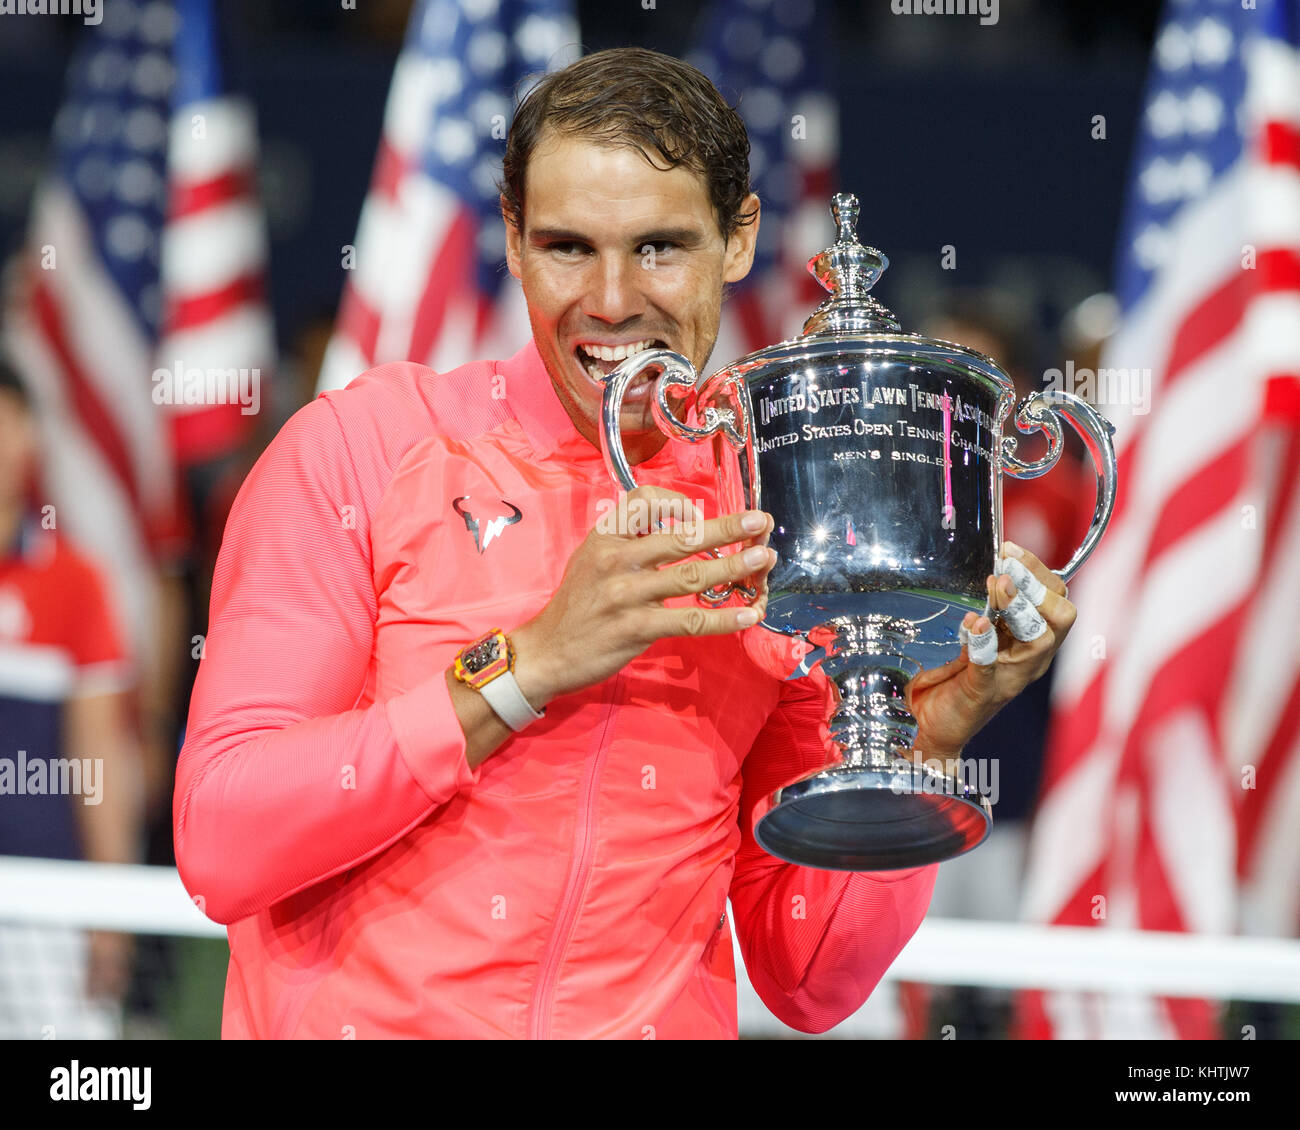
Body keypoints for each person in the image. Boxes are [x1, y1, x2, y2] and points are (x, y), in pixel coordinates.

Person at [174, 47, 1076, 1039]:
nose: (609, 301)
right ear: (512, 239)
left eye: (658, 247)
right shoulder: (362, 448)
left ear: (738, 240)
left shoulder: (774, 511)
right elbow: (223, 835)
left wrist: (921, 739)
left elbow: (808, 976)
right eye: (567, 247)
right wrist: (521, 667)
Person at [0, 358, 142, 1039]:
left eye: (5, 420)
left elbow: (101, 758)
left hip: (48, 904)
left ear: (29, 434)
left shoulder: (76, 582)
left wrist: (107, 909)